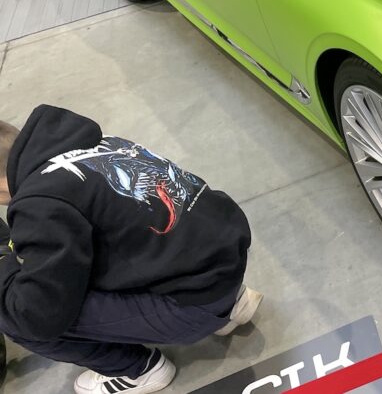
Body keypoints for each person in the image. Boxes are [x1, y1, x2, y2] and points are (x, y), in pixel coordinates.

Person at [0, 106, 261, 394]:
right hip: (226, 258)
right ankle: (230, 306)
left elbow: (36, 317)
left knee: (14, 314)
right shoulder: (83, 141)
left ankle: (138, 370)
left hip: (195, 302)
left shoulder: (40, 204)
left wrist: (5, 264)